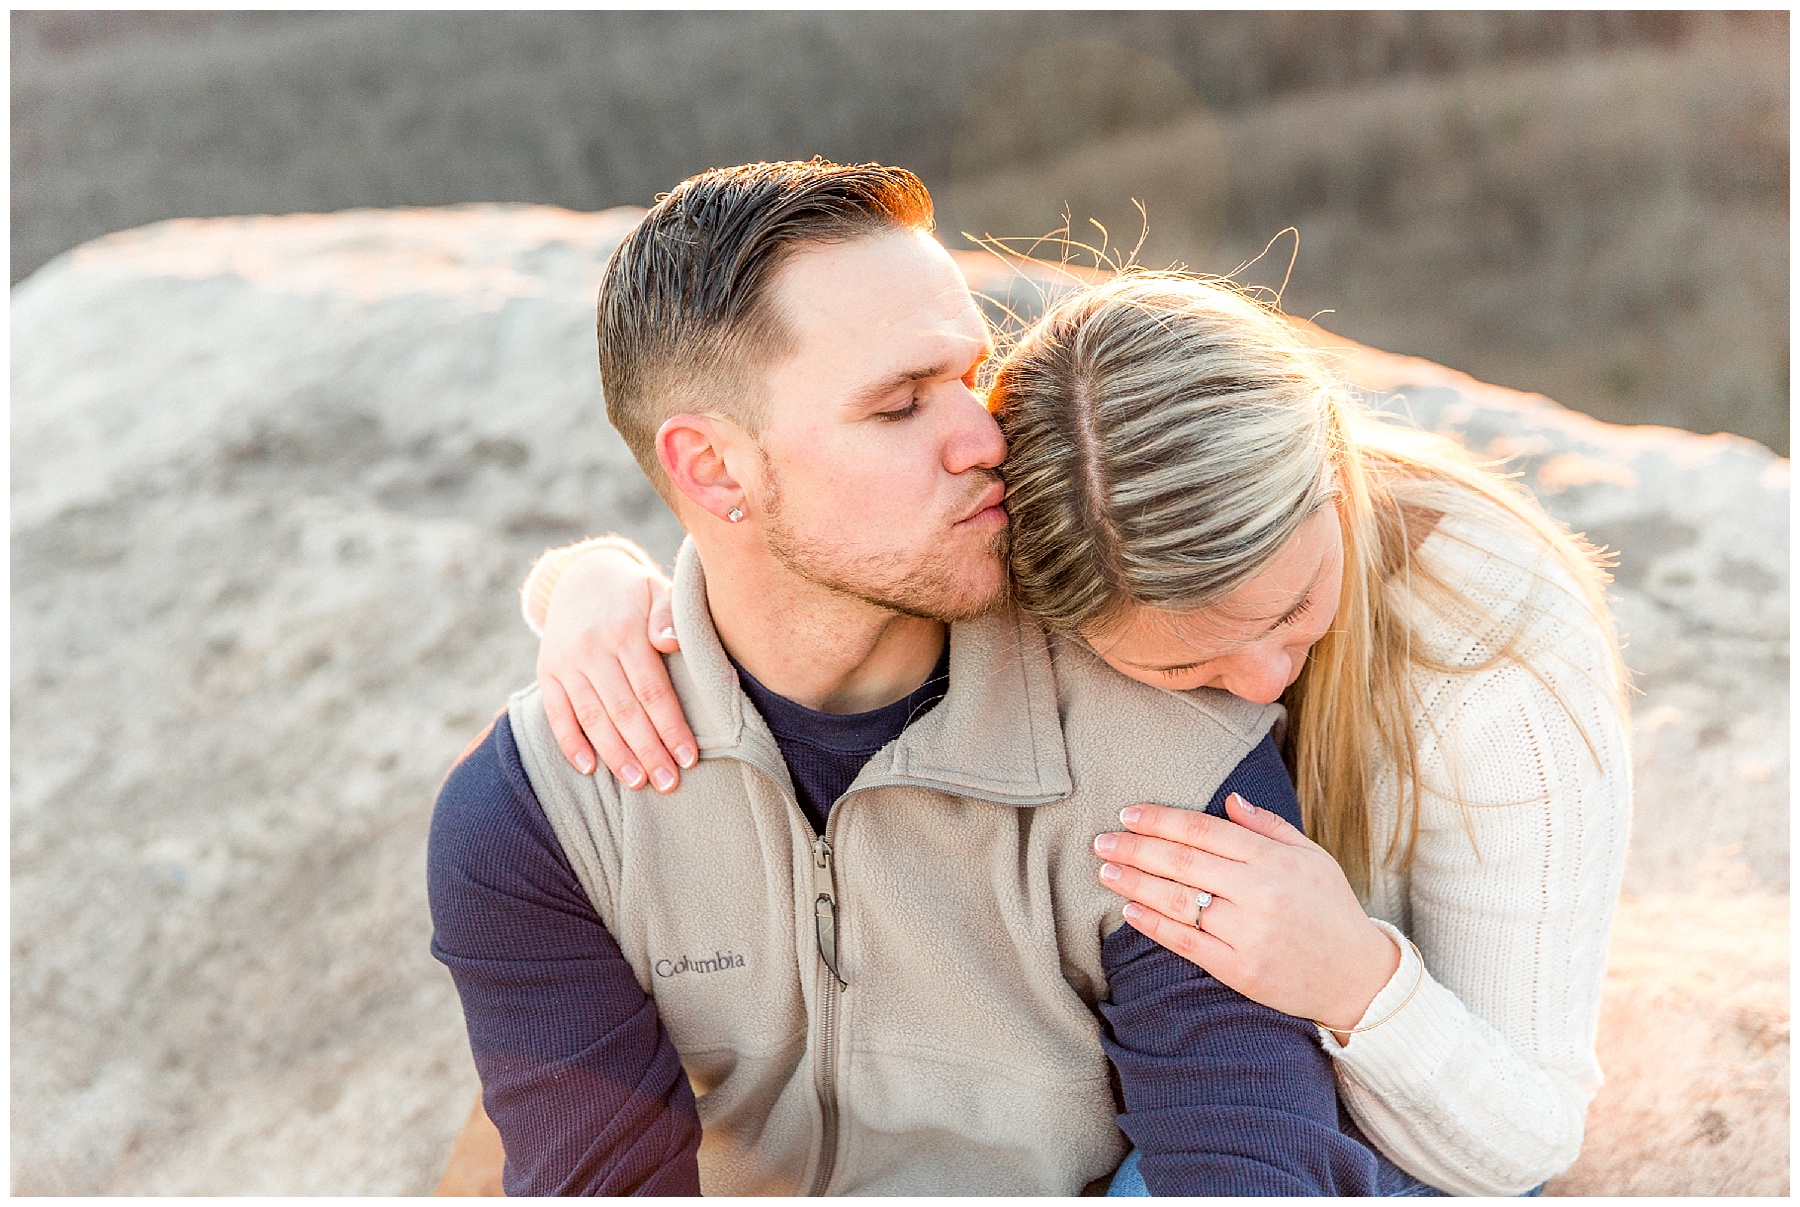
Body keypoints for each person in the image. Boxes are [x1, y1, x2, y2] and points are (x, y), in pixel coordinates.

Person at [526, 266, 1632, 1193]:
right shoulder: (1050, 546)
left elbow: (1526, 1143)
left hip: (1378, 1111)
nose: (1260, 683)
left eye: (1294, 608)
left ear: (1331, 469)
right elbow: (817, 556)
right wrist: (595, 585)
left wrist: (1355, 982)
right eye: (1183, 667)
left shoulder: (1493, 663)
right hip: (1134, 1070)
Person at [427, 159, 1387, 1196]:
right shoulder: (544, 814)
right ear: (713, 468)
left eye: (971, 376)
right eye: (900, 406)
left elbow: (1248, 1174)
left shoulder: (1165, 749)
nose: (985, 436)